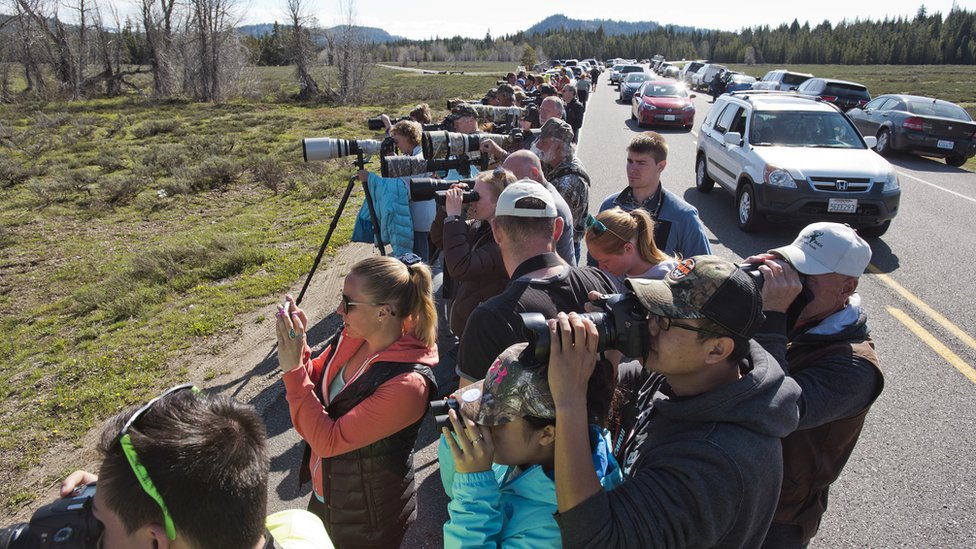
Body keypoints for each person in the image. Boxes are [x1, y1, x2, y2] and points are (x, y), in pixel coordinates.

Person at [547, 255, 802, 548]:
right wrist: (608, 350)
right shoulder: (683, 376)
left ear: (717, 349)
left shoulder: (714, 463)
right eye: (650, 310)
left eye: (666, 320)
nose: (650, 328)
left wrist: (570, 401)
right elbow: (615, 385)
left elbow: (596, 539)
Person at [276, 255, 439, 548]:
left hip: (368, 521)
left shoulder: (408, 386)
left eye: (348, 304)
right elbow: (316, 380)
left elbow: (328, 439)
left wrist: (292, 371)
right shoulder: (355, 337)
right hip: (332, 494)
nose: (339, 310)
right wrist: (298, 349)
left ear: (383, 313)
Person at [748, 222, 885, 549]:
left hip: (779, 515)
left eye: (806, 277)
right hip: (734, 481)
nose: (791, 281)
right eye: (791, 265)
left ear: (846, 289)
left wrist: (772, 316)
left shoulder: (856, 368)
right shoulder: (800, 318)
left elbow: (774, 410)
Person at [59, 385, 332, 549]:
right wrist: (122, 500)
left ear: (156, 541)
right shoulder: (300, 527)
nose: (93, 530)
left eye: (101, 525)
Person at [438, 341, 622, 548]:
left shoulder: (553, 530)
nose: (483, 423)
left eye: (497, 418)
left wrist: (474, 485)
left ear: (547, 433)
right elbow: (456, 493)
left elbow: (470, 500)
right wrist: (459, 447)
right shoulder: (528, 455)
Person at [456, 180, 614, 385]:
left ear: (496, 231)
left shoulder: (489, 319)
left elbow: (470, 408)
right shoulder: (598, 283)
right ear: (558, 229)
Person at [429, 168, 516, 339]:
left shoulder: (506, 241)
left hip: (484, 333)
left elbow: (462, 267)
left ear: (498, 202)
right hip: (468, 325)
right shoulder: (480, 226)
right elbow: (440, 240)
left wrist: (454, 217)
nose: (472, 201)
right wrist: (446, 212)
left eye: (477, 196)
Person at [597, 132, 711, 259]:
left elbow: (703, 269)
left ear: (661, 166)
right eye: (630, 161)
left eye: (641, 163)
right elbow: (595, 262)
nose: (632, 169)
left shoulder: (683, 216)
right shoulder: (609, 206)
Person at [353, 119, 433, 259]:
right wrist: (396, 162)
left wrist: (370, 178)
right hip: (420, 216)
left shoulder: (419, 158)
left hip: (419, 220)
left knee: (419, 261)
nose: (396, 145)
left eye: (397, 141)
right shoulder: (416, 154)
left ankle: (421, 281)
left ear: (408, 137)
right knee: (419, 258)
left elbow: (401, 187)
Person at [502, 150, 575, 265]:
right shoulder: (539, 197)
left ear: (534, 173)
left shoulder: (549, 207)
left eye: (513, 176)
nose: (507, 183)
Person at [533, 118, 590, 264]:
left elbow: (549, 227)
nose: (538, 145)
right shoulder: (555, 162)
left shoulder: (569, 183)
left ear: (558, 147)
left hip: (560, 253)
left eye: (543, 142)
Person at [584, 207, 678, 291]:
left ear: (628, 249)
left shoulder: (668, 277)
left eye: (605, 261)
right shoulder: (611, 275)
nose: (600, 267)